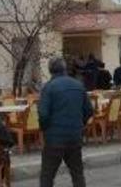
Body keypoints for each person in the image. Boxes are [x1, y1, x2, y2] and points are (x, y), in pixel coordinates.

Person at [38, 57, 93, 187]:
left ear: (50, 70)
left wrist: (44, 129)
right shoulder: (78, 85)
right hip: (75, 136)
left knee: (47, 175)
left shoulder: (49, 88)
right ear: (64, 69)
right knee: (77, 173)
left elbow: (43, 114)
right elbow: (89, 110)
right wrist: (80, 124)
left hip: (54, 138)